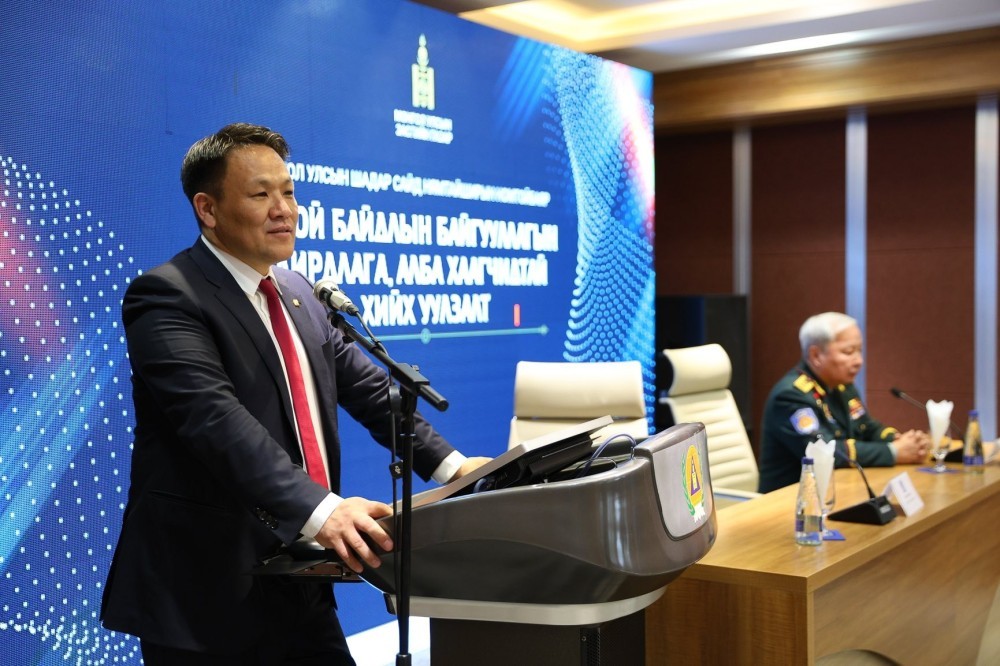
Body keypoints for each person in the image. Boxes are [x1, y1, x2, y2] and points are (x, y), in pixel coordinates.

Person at [100, 122, 490, 665]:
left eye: (288, 192)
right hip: (206, 590)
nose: (284, 209)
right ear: (207, 209)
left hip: (301, 572)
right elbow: (215, 421)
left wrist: (455, 468)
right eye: (261, 195)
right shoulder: (167, 295)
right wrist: (323, 510)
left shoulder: (298, 292)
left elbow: (371, 391)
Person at [758, 311, 929, 493]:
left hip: (836, 489)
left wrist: (901, 441)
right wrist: (893, 452)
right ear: (816, 355)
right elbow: (829, 452)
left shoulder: (841, 386)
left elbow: (867, 428)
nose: (859, 361)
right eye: (848, 352)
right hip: (791, 499)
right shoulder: (790, 396)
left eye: (859, 350)